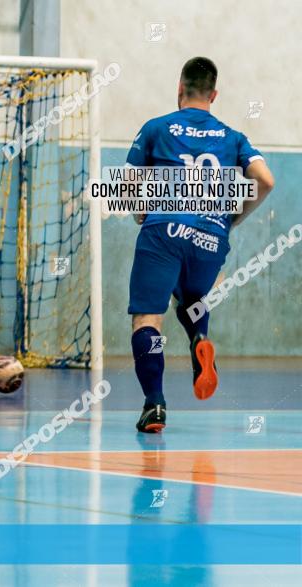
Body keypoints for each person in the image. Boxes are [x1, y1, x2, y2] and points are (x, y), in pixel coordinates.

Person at [126, 56, 275, 432]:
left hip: (163, 230)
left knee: (148, 318)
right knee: (190, 296)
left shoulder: (156, 128)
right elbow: (266, 179)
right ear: (215, 94)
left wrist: (139, 210)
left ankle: (155, 405)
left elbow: (128, 184)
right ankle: (199, 337)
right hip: (211, 235)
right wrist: (232, 218)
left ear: (180, 89)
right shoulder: (233, 136)